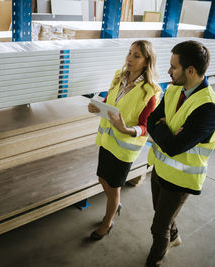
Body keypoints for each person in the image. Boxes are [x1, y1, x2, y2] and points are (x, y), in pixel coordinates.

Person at [145, 40, 215, 266]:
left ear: (190, 70)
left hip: (181, 179)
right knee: (162, 214)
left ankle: (155, 260)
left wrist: (161, 127)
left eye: (173, 67)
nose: (168, 71)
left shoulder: (209, 108)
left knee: (158, 226)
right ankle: (174, 236)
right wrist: (165, 129)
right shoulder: (173, 89)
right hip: (160, 169)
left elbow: (173, 146)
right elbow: (152, 119)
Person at [87, 40, 161, 240]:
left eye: (136, 55)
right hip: (107, 141)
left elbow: (147, 127)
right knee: (102, 178)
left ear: (147, 62)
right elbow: (111, 101)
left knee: (113, 188)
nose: (129, 58)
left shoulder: (150, 92)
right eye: (129, 53)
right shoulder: (119, 77)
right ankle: (115, 204)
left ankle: (107, 222)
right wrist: (98, 106)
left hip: (124, 150)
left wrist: (126, 129)